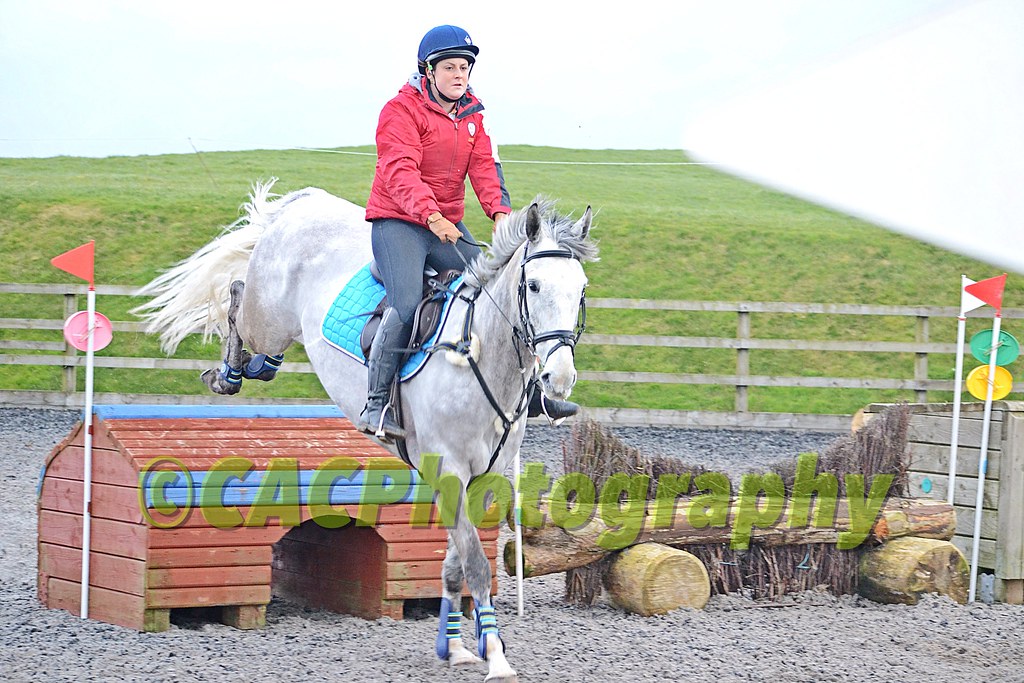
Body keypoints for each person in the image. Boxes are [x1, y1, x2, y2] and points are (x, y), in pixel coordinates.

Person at [358, 24, 578, 441]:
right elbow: (399, 171)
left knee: (497, 291)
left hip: (444, 225)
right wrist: (431, 216)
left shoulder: (474, 114)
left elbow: (485, 167)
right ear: (428, 71)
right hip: (398, 222)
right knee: (406, 304)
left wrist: (500, 213)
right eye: (450, 68)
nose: (459, 75)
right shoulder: (399, 111)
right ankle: (377, 403)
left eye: (465, 67)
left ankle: (531, 391)